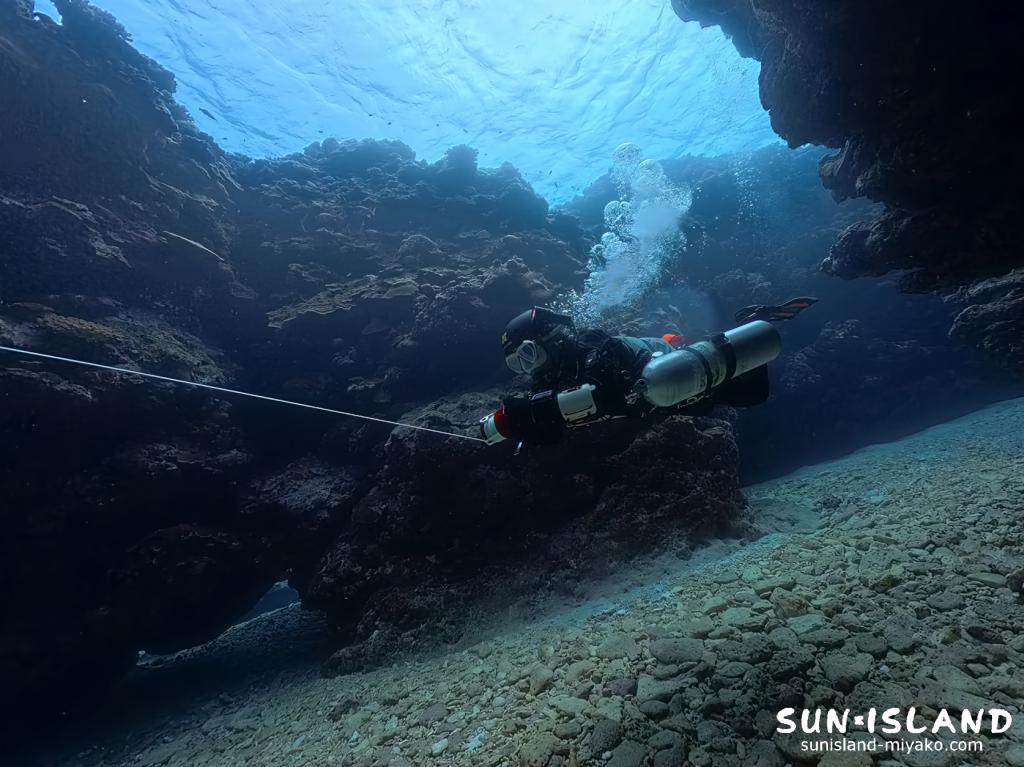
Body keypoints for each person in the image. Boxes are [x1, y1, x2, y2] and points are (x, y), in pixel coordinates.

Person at [485, 298, 816, 446]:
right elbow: (556, 426)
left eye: (528, 354)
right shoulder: (549, 377)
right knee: (749, 396)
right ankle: (742, 335)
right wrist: (523, 427)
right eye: (518, 363)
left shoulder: (593, 348)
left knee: (752, 395)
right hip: (663, 400)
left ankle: (748, 326)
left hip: (667, 379)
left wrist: (534, 411)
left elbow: (610, 398)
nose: (529, 368)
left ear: (551, 338)